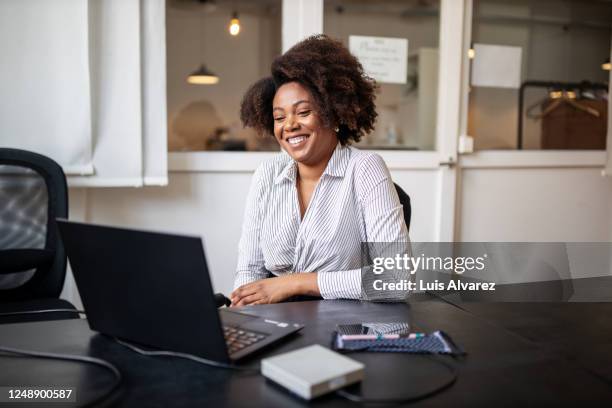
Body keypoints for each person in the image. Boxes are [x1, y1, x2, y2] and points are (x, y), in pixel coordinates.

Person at [231, 35, 410, 306]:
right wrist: (244, 309)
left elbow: (397, 279)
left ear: (333, 113)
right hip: (275, 323)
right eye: (279, 117)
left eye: (303, 112)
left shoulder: (364, 169)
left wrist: (294, 282)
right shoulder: (267, 175)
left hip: (345, 324)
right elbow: (250, 270)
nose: (289, 125)